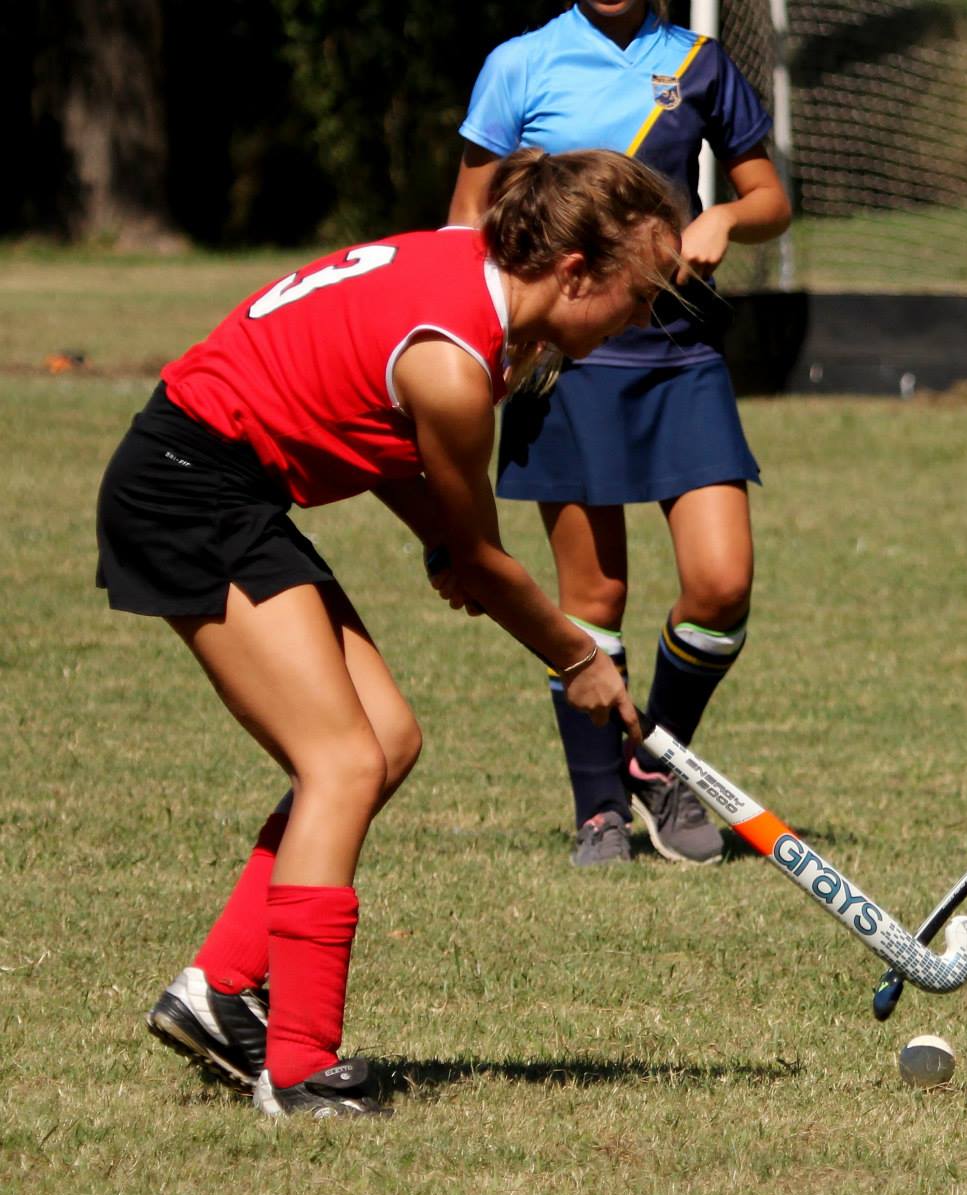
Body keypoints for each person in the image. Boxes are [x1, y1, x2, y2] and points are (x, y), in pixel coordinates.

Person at [105, 148, 686, 1116]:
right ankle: (296, 1065)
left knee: (385, 741)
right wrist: (579, 657)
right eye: (638, 295)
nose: (643, 317)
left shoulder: (468, 278)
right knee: (338, 758)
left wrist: (445, 546)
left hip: (228, 485)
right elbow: (486, 556)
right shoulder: (455, 365)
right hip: (186, 488)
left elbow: (367, 424)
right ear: (575, 271)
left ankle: (217, 989)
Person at [449, 0, 792, 867]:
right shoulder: (519, 64)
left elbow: (772, 199)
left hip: (679, 351)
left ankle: (655, 757)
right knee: (593, 598)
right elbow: (463, 223)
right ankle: (597, 806)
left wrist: (724, 218)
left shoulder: (702, 65)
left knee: (722, 583)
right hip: (565, 360)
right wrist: (490, 349)